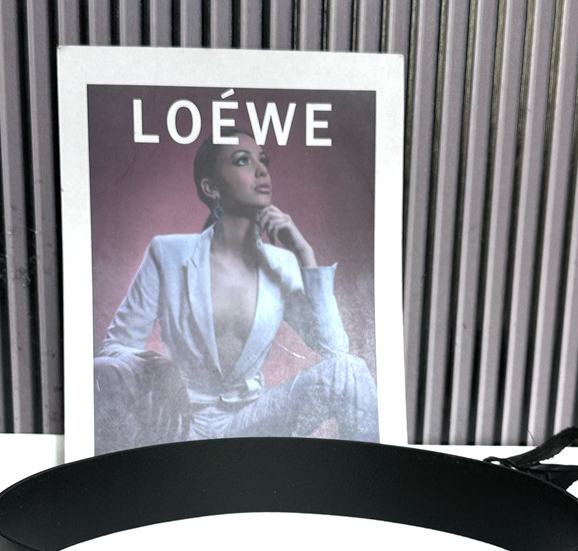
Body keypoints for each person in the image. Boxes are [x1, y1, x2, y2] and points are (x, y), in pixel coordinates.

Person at [94, 131, 379, 453]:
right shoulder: (168, 253)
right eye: (243, 161)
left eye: (263, 160)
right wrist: (158, 369)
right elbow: (113, 347)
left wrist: (305, 254)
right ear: (211, 187)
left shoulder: (282, 263)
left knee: (350, 370)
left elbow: (335, 347)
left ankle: (371, 478)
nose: (261, 170)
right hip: (183, 423)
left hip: (253, 420)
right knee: (101, 370)